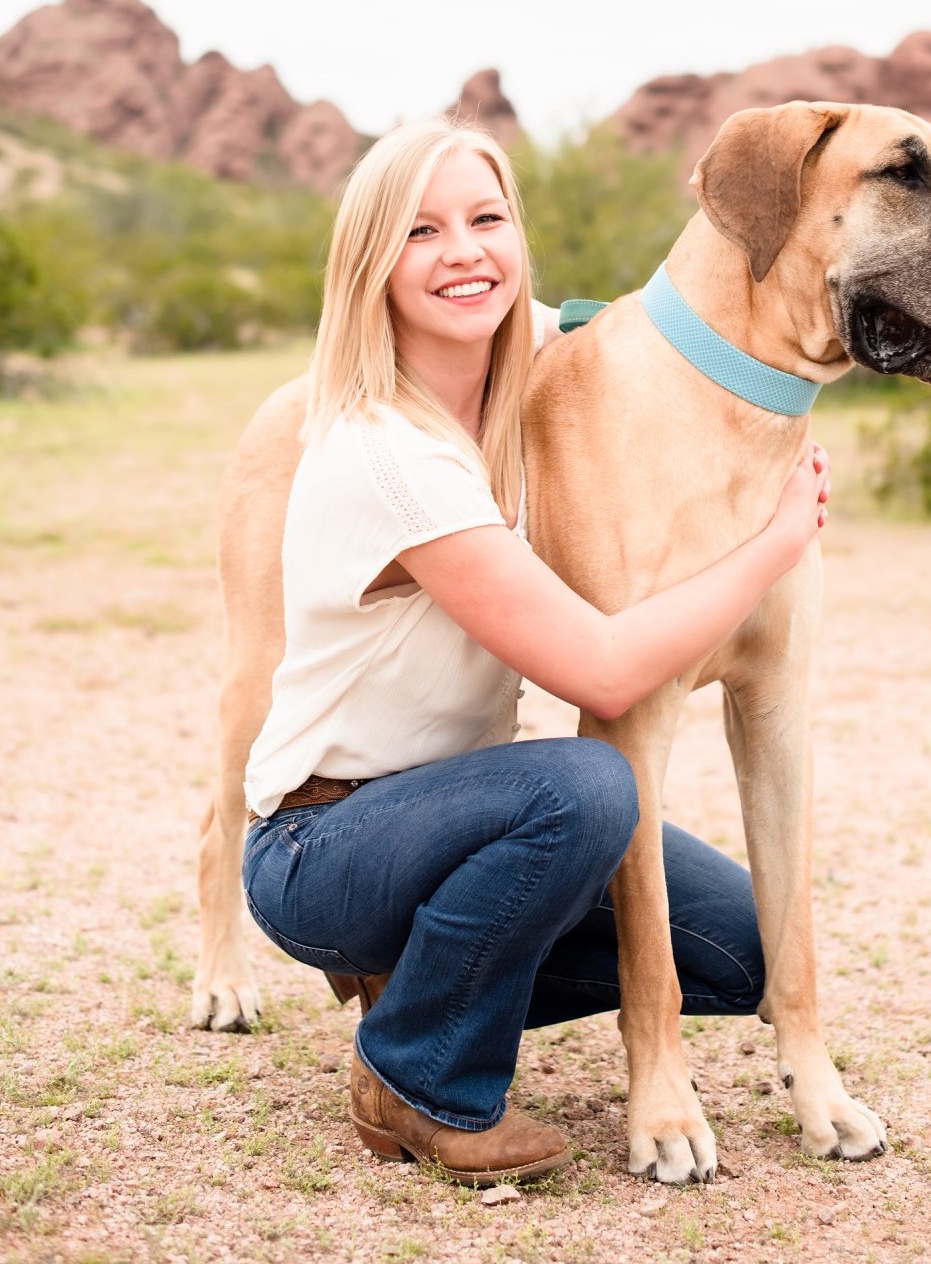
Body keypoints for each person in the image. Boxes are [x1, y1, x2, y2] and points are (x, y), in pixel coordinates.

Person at [241, 116, 831, 1187]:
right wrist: (780, 540)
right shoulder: (391, 454)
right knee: (587, 786)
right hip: (320, 846)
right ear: (371, 266)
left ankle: (422, 978)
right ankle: (416, 1078)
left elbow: (650, 333)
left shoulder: (512, 391)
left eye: (485, 219)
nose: (462, 250)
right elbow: (603, 673)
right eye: (420, 232)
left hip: (455, 816)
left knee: (741, 944)